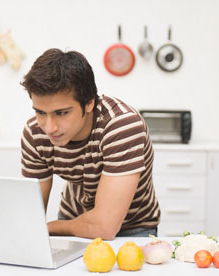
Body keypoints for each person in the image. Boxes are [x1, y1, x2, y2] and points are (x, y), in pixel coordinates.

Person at [20, 48, 160, 240]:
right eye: (41, 112)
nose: (50, 127)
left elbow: (104, 227)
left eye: (61, 113)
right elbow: (30, 217)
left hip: (131, 229)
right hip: (71, 221)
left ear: (89, 103)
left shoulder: (121, 126)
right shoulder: (35, 132)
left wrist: (47, 228)